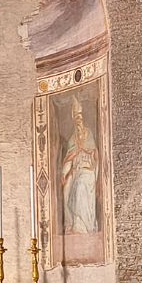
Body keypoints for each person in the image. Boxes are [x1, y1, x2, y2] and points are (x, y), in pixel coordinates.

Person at [60, 98, 100, 235]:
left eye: (80, 117)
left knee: (80, 186)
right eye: (76, 118)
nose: (78, 121)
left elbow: (94, 154)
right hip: (76, 171)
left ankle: (82, 225)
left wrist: (89, 155)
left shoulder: (88, 134)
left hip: (87, 171)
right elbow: (68, 158)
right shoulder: (72, 138)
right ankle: (70, 224)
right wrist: (64, 174)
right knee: (66, 190)